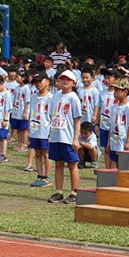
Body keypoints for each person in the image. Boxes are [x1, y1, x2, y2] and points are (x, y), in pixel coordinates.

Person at [47, 70, 81, 204]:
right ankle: (59, 191)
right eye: (62, 79)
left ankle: (74, 191)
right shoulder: (55, 96)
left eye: (68, 79)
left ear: (73, 83)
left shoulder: (73, 98)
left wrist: (75, 138)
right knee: (58, 164)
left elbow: (76, 119)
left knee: (72, 164)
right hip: (56, 135)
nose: (64, 81)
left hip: (68, 136)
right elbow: (52, 115)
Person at [27, 73, 53, 187]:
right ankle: (39, 176)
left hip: (45, 129)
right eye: (35, 82)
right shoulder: (33, 97)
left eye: (40, 81)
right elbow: (30, 113)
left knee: (46, 153)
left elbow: (52, 115)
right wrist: (29, 129)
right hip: (34, 129)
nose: (38, 84)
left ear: (47, 82)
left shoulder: (51, 98)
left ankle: (47, 177)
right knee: (37, 153)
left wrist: (51, 132)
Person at [107, 77, 129, 166]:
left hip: (123, 140)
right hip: (114, 140)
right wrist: (109, 141)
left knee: (123, 163)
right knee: (114, 161)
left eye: (117, 90)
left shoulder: (128, 107)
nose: (114, 93)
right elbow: (111, 125)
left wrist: (128, 141)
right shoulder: (114, 107)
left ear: (125, 92)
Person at [97, 68, 118, 169]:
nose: (107, 80)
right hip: (104, 125)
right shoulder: (102, 93)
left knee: (114, 149)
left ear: (116, 79)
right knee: (106, 149)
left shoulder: (118, 94)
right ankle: (107, 170)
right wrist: (97, 124)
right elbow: (99, 108)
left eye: (109, 77)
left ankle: (114, 170)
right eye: (105, 78)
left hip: (115, 127)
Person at [10, 70, 30, 152]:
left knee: (24, 129)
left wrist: (25, 112)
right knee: (18, 128)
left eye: (18, 77)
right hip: (16, 111)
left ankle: (24, 144)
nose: (16, 78)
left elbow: (27, 101)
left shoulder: (26, 88)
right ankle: (20, 143)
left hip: (22, 111)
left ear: (23, 78)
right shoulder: (16, 88)